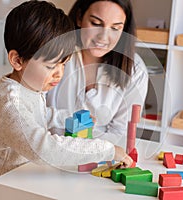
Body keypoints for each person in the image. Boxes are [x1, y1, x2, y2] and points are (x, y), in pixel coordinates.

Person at [0, 1, 133, 199]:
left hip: (22, 179)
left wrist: (67, 117)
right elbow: (43, 147)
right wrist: (107, 150)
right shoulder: (10, 102)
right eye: (51, 66)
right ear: (17, 60)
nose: (59, 74)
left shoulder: (29, 88)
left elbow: (42, 114)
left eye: (63, 64)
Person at [46, 0, 149, 146]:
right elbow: (33, 114)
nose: (103, 37)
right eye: (96, 23)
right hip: (48, 152)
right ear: (80, 18)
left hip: (98, 158)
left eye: (115, 28)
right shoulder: (54, 53)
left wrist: (89, 154)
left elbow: (120, 133)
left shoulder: (135, 70)